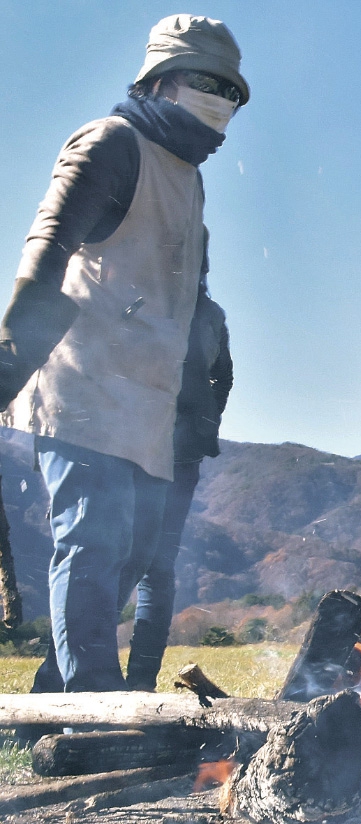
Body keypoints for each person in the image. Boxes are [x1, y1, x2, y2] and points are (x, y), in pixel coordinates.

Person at [0, 15, 249, 692]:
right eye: (204, 83)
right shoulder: (113, 143)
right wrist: (8, 359)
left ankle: (55, 696)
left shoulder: (190, 181)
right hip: (84, 383)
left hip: (151, 403)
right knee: (92, 541)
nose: (219, 101)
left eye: (229, 92)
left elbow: (187, 296)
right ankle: (94, 710)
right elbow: (47, 248)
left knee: (137, 555)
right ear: (160, 78)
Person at [124, 284, 233, 691]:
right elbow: (223, 377)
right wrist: (203, 418)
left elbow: (222, 377)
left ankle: (127, 682)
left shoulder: (195, 310)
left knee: (145, 565)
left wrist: (202, 420)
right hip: (154, 448)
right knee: (146, 566)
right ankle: (123, 681)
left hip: (157, 449)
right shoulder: (208, 312)